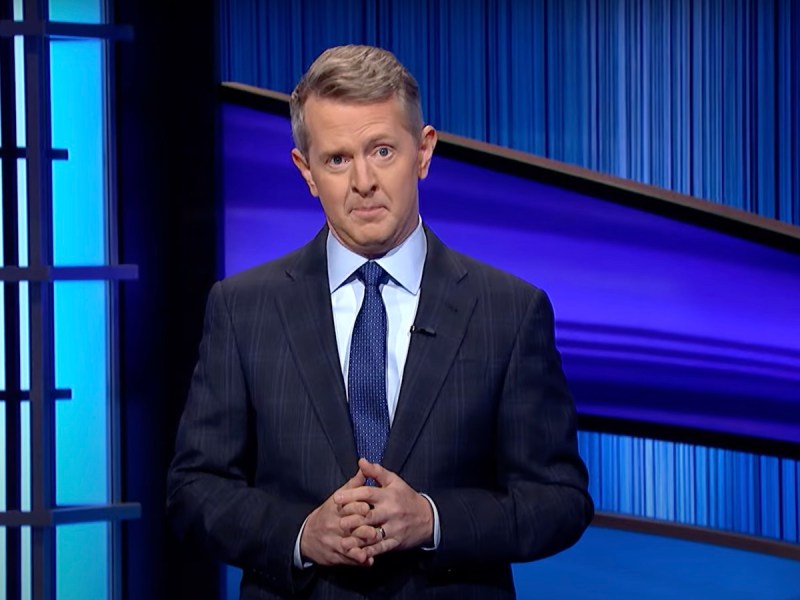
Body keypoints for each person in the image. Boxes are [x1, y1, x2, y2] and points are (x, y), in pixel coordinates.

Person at [167, 44, 593, 599]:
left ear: (424, 152)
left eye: (383, 151)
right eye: (337, 159)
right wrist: (299, 534)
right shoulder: (243, 308)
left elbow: (560, 499)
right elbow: (193, 490)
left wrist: (432, 519)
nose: (363, 181)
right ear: (307, 171)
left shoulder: (508, 312)